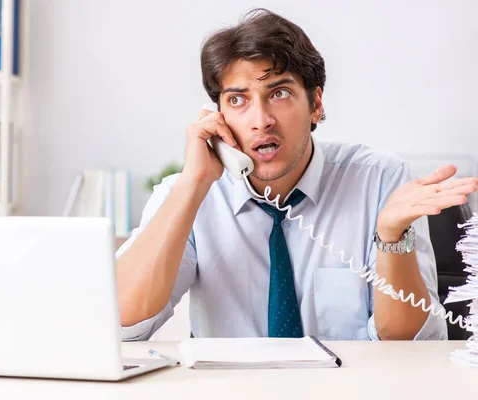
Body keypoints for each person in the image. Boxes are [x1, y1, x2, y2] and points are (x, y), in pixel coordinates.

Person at [115, 8, 477, 341]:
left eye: (280, 93)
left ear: (315, 104)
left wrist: (391, 237)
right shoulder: (188, 192)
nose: (261, 120)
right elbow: (121, 326)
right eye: (238, 100)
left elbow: (408, 349)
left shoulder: (380, 181)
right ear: (219, 116)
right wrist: (192, 186)